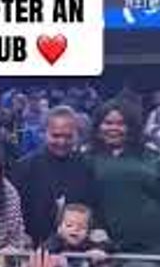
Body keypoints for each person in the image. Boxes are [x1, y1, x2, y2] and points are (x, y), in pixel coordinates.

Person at [87, 99, 160, 253]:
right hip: (103, 249)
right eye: (108, 123)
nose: (114, 128)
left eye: (120, 124)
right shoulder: (86, 159)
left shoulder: (152, 157)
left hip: (153, 247)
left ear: (131, 127)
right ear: (98, 127)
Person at [11, 105, 99, 247]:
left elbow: (94, 209)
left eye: (68, 136)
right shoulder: (25, 167)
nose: (62, 142)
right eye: (56, 135)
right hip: (35, 250)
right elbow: (16, 213)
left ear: (77, 134)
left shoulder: (87, 166)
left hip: (78, 251)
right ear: (44, 133)